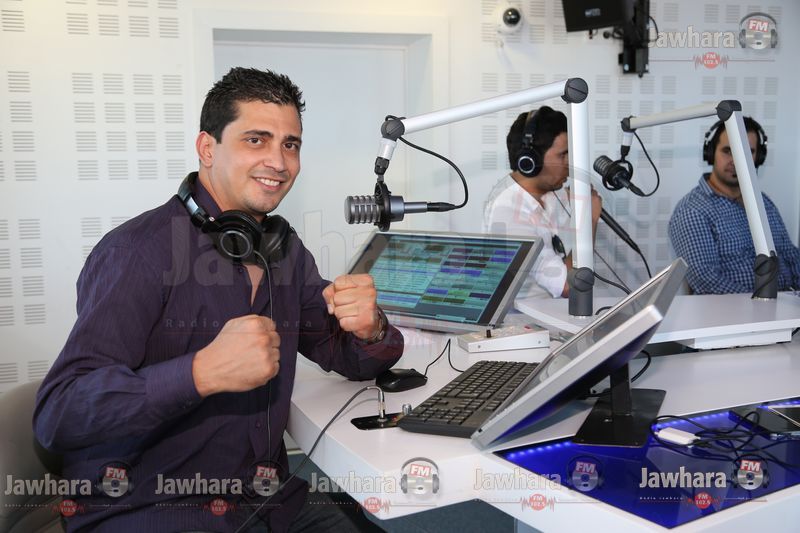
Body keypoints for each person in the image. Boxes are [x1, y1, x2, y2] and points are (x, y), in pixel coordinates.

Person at [33, 67, 403, 532]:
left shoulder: (283, 251)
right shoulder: (137, 253)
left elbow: (348, 357)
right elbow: (57, 416)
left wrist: (370, 328)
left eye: (290, 144)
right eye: (256, 140)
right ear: (207, 148)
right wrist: (200, 372)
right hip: (152, 510)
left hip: (265, 501)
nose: (279, 161)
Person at [668, 116, 800, 294]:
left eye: (747, 152)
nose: (737, 160)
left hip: (786, 302)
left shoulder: (763, 202)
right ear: (711, 152)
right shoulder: (692, 210)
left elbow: (790, 254)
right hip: (741, 308)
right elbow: (706, 280)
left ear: (758, 158)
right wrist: (761, 305)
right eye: (728, 151)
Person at [483, 106, 602, 299]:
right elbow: (569, 285)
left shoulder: (545, 193)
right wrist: (589, 221)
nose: (569, 164)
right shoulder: (508, 212)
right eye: (562, 155)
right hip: (526, 316)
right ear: (531, 161)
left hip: (550, 310)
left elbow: (567, 199)